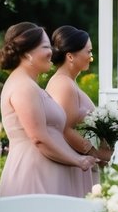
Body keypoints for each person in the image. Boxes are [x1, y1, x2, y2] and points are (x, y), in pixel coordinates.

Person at [0, 22, 94, 212]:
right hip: (34, 175)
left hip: (48, 174)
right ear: (27, 53)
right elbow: (39, 138)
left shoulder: (31, 85)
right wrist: (78, 160)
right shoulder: (22, 87)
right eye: (45, 46)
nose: (52, 51)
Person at [46, 25, 112, 196]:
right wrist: (95, 154)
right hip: (78, 161)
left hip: (83, 161)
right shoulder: (63, 84)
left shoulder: (69, 82)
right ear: (70, 56)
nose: (91, 57)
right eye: (88, 51)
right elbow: (66, 128)